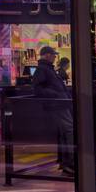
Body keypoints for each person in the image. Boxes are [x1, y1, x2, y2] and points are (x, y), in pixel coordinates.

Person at [32, 45, 75, 175]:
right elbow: (38, 89)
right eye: (53, 54)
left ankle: (66, 163)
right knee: (69, 130)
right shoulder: (42, 69)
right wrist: (56, 95)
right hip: (56, 105)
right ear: (47, 55)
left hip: (61, 104)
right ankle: (70, 163)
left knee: (65, 132)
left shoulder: (49, 69)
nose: (55, 57)